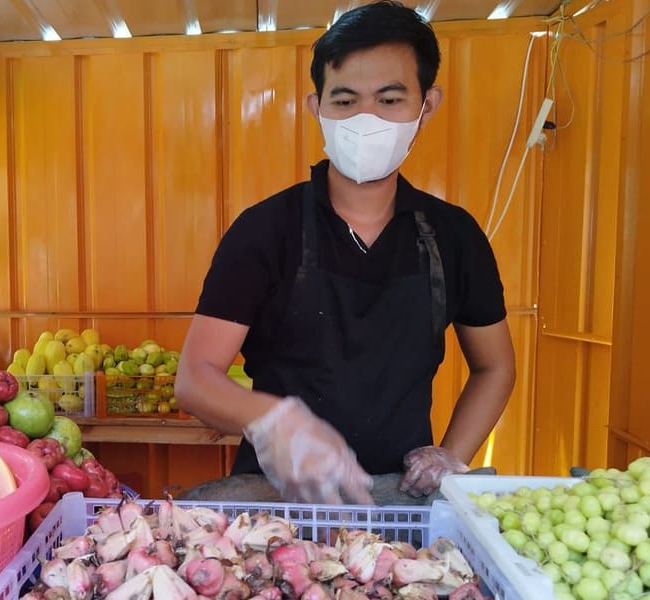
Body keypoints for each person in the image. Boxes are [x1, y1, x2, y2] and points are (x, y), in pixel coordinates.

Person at [175, 0, 516, 505]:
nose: (366, 118)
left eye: (390, 99)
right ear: (317, 109)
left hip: (404, 500)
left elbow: (495, 367)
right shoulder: (265, 231)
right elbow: (195, 378)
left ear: (427, 105)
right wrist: (272, 420)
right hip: (275, 498)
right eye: (345, 100)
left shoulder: (455, 236)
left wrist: (451, 455)